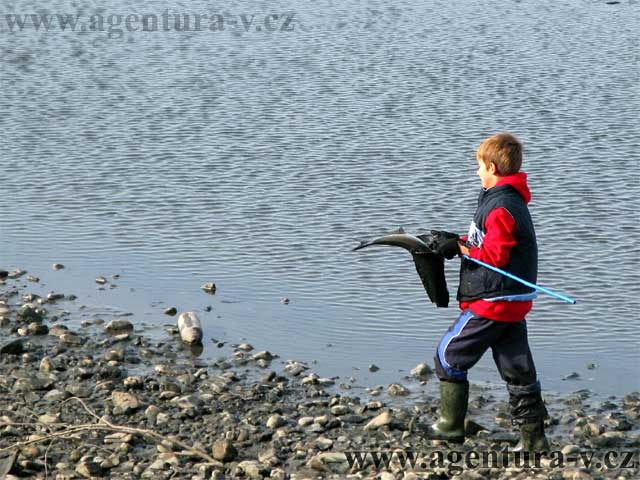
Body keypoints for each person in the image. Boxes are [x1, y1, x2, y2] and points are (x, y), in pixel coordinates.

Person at [427, 132, 549, 452]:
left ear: (492, 167)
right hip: (513, 303)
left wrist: (460, 248)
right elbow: (489, 245)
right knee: (517, 368)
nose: (477, 172)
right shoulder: (507, 199)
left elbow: (495, 258)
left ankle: (451, 426)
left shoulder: (502, 206)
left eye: (479, 166)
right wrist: (459, 242)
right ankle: (534, 439)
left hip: (493, 302)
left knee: (448, 355)